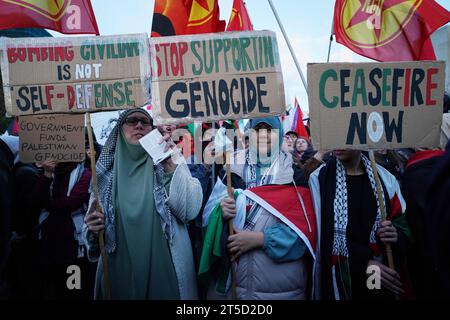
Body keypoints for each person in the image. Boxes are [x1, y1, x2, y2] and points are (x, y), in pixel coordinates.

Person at [83, 109, 203, 300]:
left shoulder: (168, 158)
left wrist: (172, 168)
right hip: (118, 270)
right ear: (120, 130)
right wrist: (92, 228)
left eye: (144, 122)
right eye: (131, 121)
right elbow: (93, 234)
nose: (138, 125)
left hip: (165, 269)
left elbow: (190, 211)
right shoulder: (104, 174)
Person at [204, 117, 316, 300]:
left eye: (269, 129)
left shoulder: (296, 177)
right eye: (257, 129)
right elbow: (208, 222)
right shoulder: (231, 171)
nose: (263, 135)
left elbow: (306, 233)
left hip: (281, 289)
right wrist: (221, 212)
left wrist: (261, 239)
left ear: (279, 134)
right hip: (233, 286)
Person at [309, 150, 412, 300]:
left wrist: (394, 234)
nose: (338, 144)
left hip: (379, 278)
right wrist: (364, 264)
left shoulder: (385, 179)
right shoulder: (319, 179)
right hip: (341, 279)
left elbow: (402, 224)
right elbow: (321, 234)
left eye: (345, 135)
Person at [30, 158, 92, 299]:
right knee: (53, 287)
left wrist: (48, 205)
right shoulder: (44, 173)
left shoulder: (85, 174)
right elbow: (35, 201)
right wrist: (46, 175)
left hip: (73, 245)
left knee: (73, 288)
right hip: (48, 242)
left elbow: (72, 202)